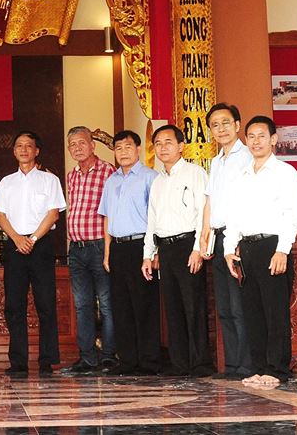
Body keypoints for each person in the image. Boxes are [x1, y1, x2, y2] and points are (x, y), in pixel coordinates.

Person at [224, 115, 297, 387]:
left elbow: (292, 215)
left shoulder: (285, 173)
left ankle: (277, 370)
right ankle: (258, 367)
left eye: (262, 136)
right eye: (251, 136)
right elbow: (233, 217)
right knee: (253, 313)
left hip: (272, 246)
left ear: (273, 139)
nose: (256, 141)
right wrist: (228, 250)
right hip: (246, 248)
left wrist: (282, 250)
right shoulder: (241, 176)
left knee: (274, 312)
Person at [0, 130, 66, 375]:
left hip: (40, 245)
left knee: (46, 303)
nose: (24, 150)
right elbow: (0, 215)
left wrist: (31, 239)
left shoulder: (49, 180)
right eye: (19, 146)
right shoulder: (6, 182)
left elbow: (53, 214)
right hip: (15, 246)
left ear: (37, 151)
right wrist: (17, 238)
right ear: (14, 152)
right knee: (14, 305)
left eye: (28, 145)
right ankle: (18, 361)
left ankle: (47, 360)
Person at [142, 124, 212, 377]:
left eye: (168, 142)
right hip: (166, 248)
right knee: (172, 308)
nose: (163, 148)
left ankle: (200, 363)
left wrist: (198, 249)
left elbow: (203, 213)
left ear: (181, 146)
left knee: (194, 306)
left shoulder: (195, 173)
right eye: (158, 143)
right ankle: (180, 364)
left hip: (188, 245)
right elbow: (152, 220)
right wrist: (148, 254)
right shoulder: (157, 181)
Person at [99, 130, 161, 376]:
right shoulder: (111, 181)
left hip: (141, 247)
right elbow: (107, 218)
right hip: (117, 248)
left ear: (138, 149)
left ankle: (149, 361)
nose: (123, 152)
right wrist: (107, 252)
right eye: (118, 148)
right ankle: (127, 361)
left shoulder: (150, 177)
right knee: (121, 306)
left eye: (127, 147)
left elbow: (156, 217)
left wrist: (154, 252)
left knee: (144, 304)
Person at [201, 103, 254, 381]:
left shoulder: (247, 157)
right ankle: (231, 365)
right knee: (224, 306)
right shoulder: (216, 161)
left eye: (225, 123)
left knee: (239, 305)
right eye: (214, 125)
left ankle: (246, 364)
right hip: (219, 235)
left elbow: (246, 201)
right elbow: (210, 200)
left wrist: (234, 240)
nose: (220, 129)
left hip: (238, 237)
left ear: (237, 125)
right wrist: (204, 233)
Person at [62, 125, 116, 375]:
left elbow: (111, 212)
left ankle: (109, 356)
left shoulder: (108, 171)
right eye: (72, 145)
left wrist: (108, 250)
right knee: (82, 305)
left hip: (99, 246)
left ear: (93, 145)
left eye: (82, 143)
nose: (77, 148)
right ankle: (87, 358)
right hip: (76, 249)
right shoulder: (72, 175)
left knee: (106, 303)